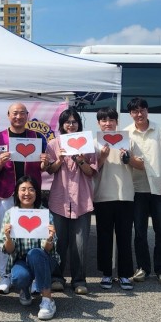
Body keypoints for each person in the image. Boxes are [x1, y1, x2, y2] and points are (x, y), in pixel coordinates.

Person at [0, 102, 46, 294]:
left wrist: (45, 163)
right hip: (7, 192)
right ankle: (5, 275)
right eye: (15, 113)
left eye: (22, 113)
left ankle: (35, 277)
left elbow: (44, 167)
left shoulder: (37, 137)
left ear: (27, 115)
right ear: (8, 115)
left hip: (30, 194)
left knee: (34, 234)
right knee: (6, 232)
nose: (19, 116)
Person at [41, 107, 96, 294]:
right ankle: (57, 277)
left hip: (82, 199)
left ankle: (79, 280)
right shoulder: (54, 143)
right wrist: (60, 159)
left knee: (80, 243)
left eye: (74, 122)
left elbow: (91, 172)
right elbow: (49, 170)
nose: (71, 125)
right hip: (60, 199)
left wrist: (80, 160)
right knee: (59, 241)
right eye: (67, 122)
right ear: (62, 125)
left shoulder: (87, 144)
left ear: (79, 124)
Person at [125, 97, 161, 286]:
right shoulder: (126, 133)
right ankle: (143, 268)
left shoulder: (160, 129)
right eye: (135, 111)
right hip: (137, 188)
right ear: (130, 114)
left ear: (147, 111)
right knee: (139, 232)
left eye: (142, 110)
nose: (139, 114)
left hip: (159, 187)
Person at [0, 175, 59, 320]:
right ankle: (25, 290)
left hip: (44, 259)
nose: (27, 193)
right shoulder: (11, 214)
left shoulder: (44, 213)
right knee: (19, 277)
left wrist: (50, 237)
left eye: (31, 189)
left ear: (37, 193)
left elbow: (48, 249)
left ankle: (48, 300)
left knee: (35, 254)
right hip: (20, 260)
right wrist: (8, 237)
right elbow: (8, 250)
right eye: (23, 189)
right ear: (17, 192)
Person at [93, 107, 135, 291]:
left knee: (125, 236)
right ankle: (106, 273)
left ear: (117, 122)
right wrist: (102, 157)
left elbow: (141, 165)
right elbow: (90, 170)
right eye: (104, 120)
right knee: (104, 237)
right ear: (98, 123)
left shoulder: (128, 140)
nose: (108, 123)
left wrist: (128, 158)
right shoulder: (93, 143)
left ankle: (125, 274)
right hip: (102, 195)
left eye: (111, 120)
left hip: (125, 195)